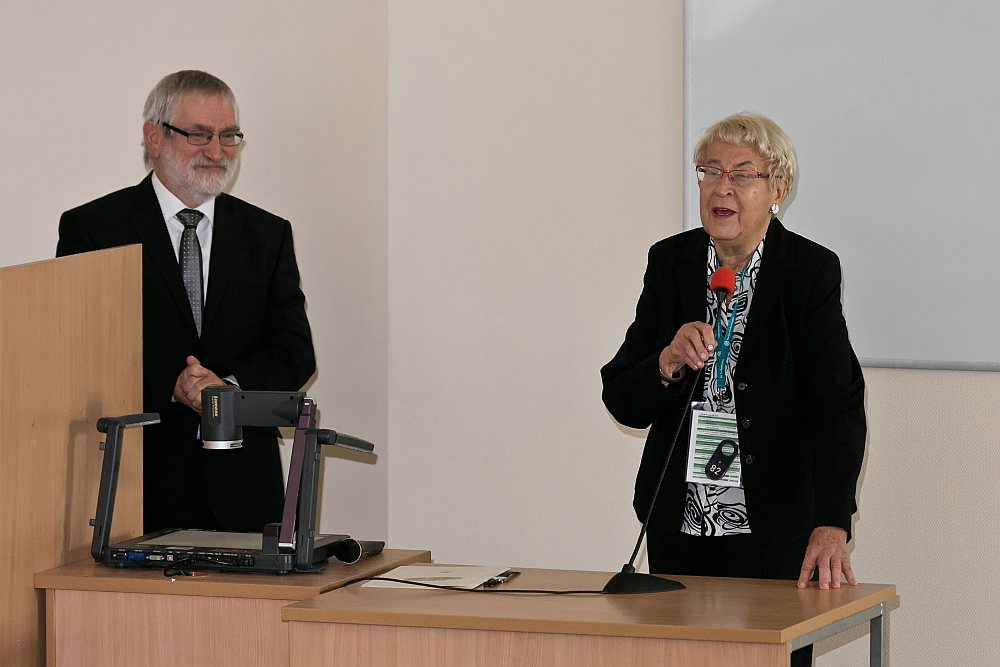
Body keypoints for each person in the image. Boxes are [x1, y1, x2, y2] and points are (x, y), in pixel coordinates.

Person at [601, 113, 866, 666]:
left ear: (778, 190)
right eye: (711, 171)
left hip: (774, 526)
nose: (722, 187)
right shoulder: (670, 261)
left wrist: (831, 522)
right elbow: (621, 395)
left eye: (743, 174)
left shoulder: (807, 271)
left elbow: (838, 406)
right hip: (681, 523)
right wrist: (668, 360)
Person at [56, 70, 315, 533]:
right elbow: (78, 351)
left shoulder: (267, 234)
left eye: (228, 135)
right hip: (138, 486)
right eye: (199, 134)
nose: (217, 151)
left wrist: (226, 389)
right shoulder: (94, 229)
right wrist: (171, 385)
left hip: (246, 494)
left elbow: (295, 352)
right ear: (154, 137)